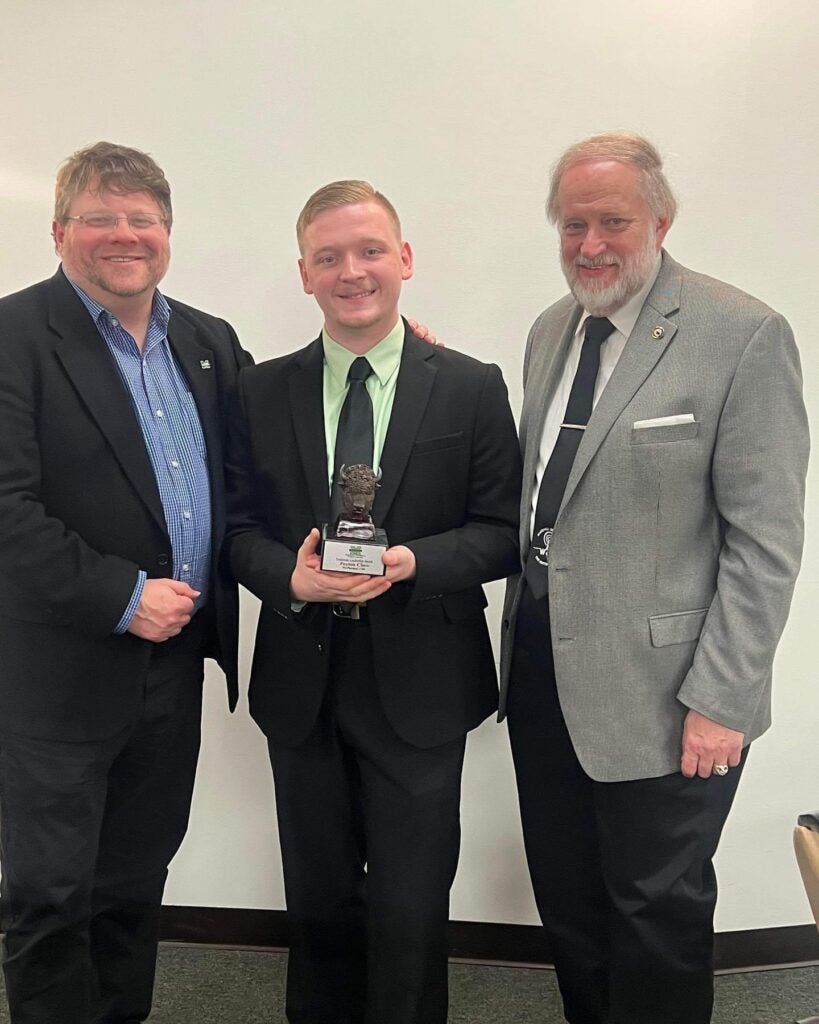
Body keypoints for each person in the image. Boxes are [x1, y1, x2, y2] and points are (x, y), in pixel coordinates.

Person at [499, 131, 809, 1024]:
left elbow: (766, 542)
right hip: (542, 674)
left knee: (654, 912)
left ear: (660, 221)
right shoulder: (550, 331)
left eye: (611, 221)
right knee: (569, 901)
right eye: (570, 225)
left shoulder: (741, 334)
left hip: (671, 695)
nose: (588, 244)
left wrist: (721, 697)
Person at [225, 180, 521, 1024]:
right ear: (303, 273)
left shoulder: (470, 386)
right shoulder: (258, 391)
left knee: (412, 902)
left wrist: (409, 562)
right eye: (328, 257)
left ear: (404, 259)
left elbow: (501, 532)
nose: (350, 271)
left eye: (368, 251)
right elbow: (237, 528)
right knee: (316, 899)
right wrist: (291, 577)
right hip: (302, 680)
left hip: (421, 681)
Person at [0, 142, 252, 1024]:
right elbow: (6, 510)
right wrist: (119, 595)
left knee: (136, 883)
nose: (124, 235)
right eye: (101, 217)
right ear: (60, 229)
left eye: (142, 218)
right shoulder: (14, 335)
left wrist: (398, 362)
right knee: (49, 895)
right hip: (59, 678)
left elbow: (281, 444)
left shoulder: (209, 342)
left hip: (172, 671)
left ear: (168, 233)